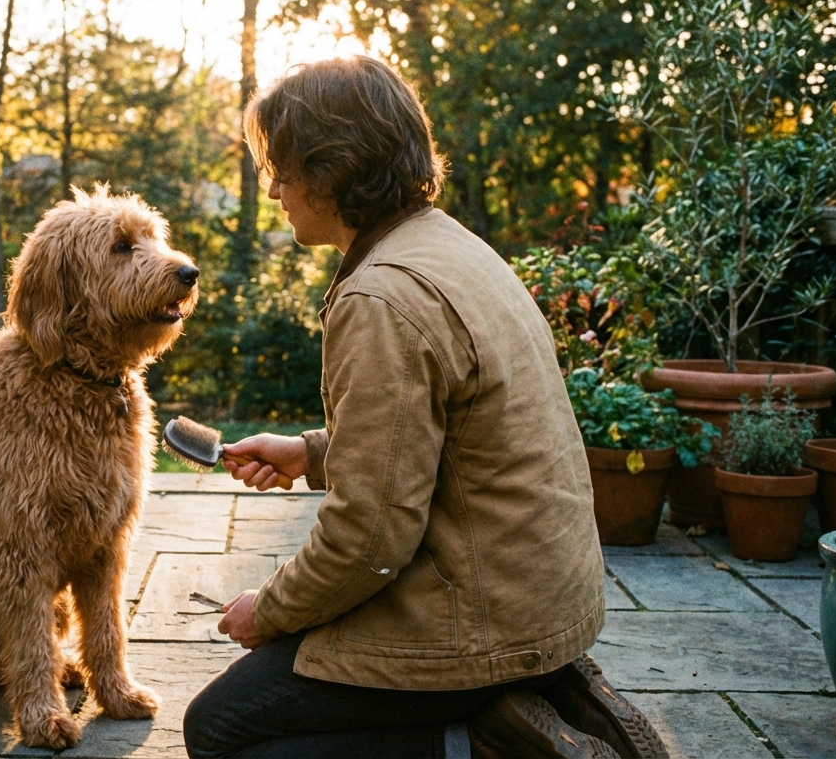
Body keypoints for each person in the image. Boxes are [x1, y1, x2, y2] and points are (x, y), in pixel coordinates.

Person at [181, 56, 668, 759]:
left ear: (335, 168)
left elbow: (369, 540)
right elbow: (444, 430)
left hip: (482, 622)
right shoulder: (447, 244)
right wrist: (311, 453)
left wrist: (272, 610)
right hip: (541, 602)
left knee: (220, 729)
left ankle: (482, 740)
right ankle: (533, 697)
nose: (275, 188)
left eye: (284, 170)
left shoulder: (381, 298)